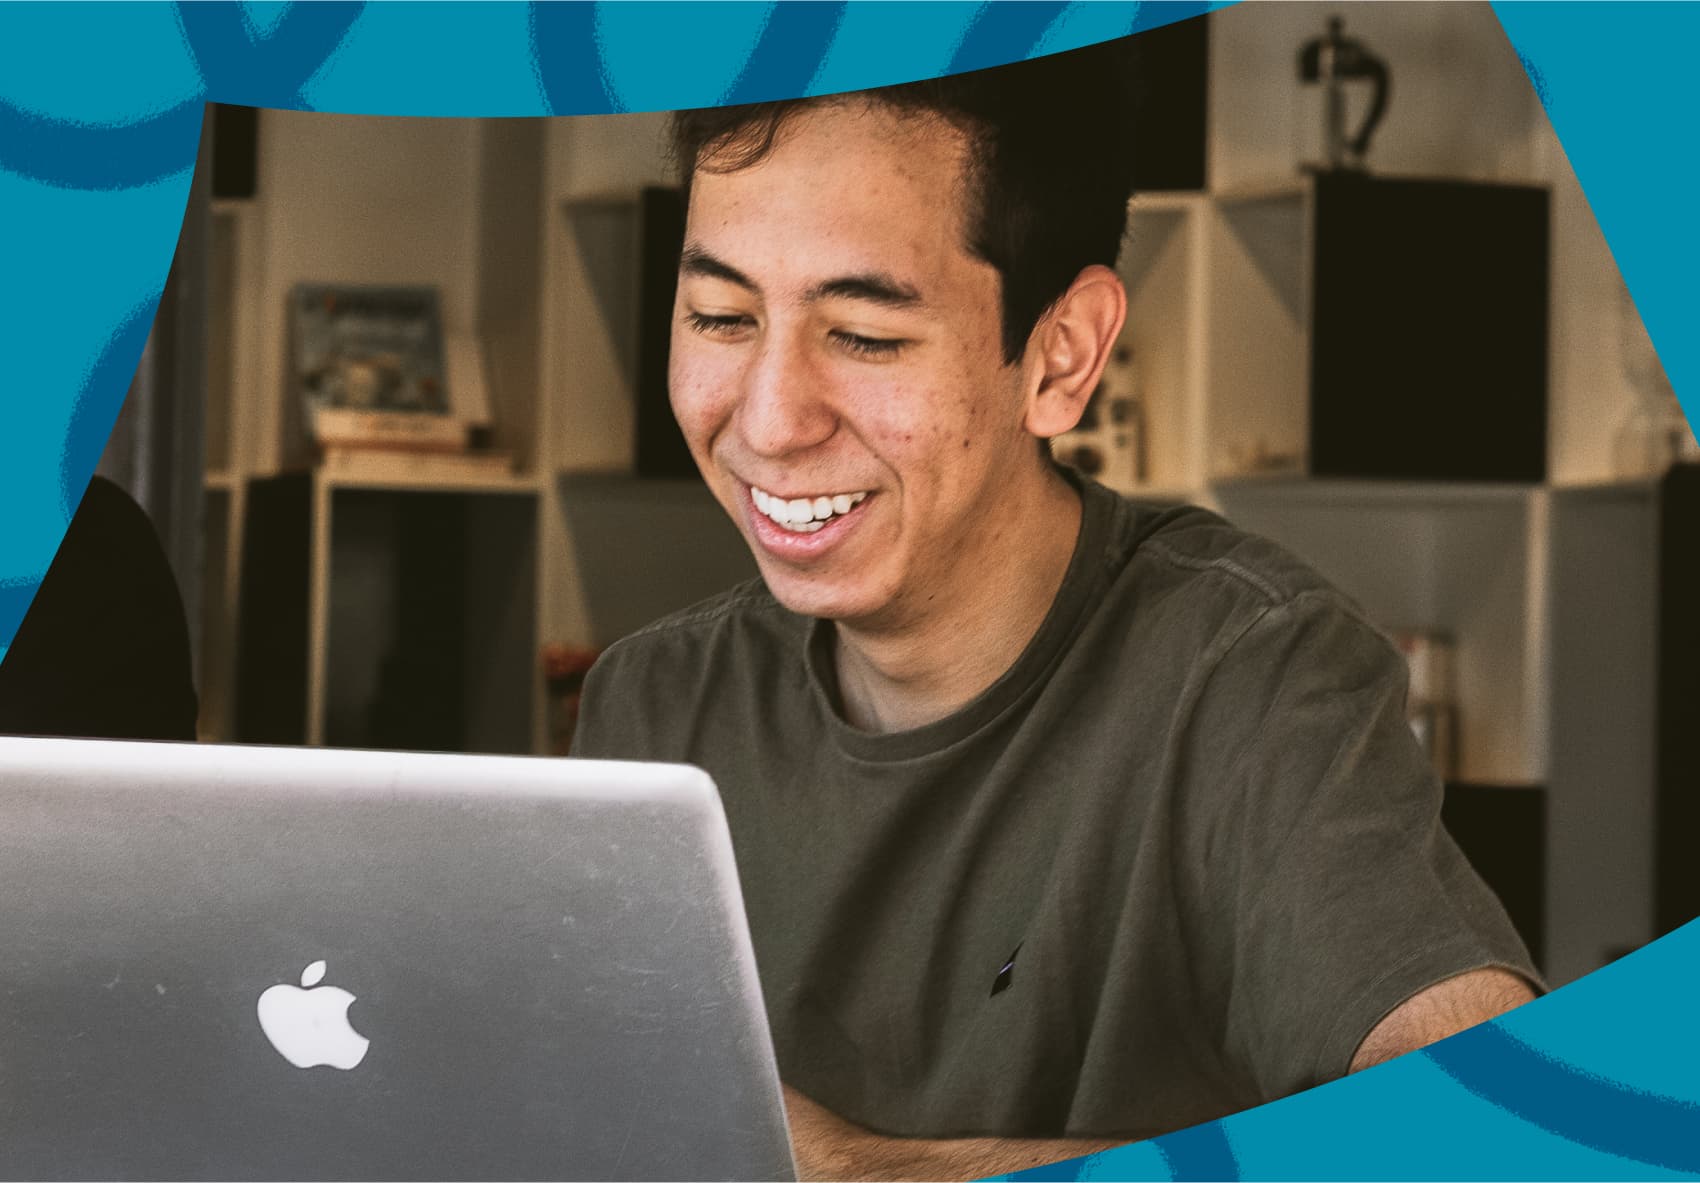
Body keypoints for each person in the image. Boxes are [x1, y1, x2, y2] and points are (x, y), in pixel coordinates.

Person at [571, 38, 1538, 1181]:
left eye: (864, 334)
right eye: (721, 318)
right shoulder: (655, 702)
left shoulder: (1252, 676)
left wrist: (849, 1168)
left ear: (1061, 356)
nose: (771, 420)